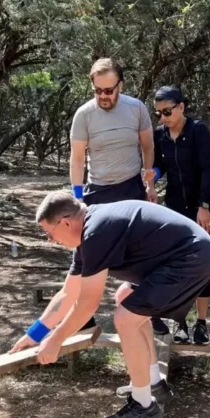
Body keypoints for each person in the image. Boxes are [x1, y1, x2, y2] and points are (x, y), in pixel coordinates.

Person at [10, 193, 210, 418]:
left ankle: (143, 406)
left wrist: (56, 340)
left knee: (126, 319)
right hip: (185, 257)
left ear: (66, 222)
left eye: (49, 233)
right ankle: (152, 384)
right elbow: (68, 294)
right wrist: (35, 335)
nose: (50, 240)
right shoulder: (88, 235)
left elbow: (87, 304)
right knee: (125, 298)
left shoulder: (96, 233)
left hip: (192, 258)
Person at [69, 57, 156, 328]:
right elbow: (77, 159)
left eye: (109, 90)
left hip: (131, 187)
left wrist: (149, 181)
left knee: (139, 252)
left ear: (121, 84)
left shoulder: (136, 108)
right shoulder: (84, 114)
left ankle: (143, 311)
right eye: (98, 91)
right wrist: (77, 196)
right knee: (85, 255)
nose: (103, 96)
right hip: (98, 190)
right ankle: (83, 319)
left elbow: (148, 146)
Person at [147, 86, 210, 344]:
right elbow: (160, 166)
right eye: (158, 113)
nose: (163, 117)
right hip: (175, 207)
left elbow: (207, 170)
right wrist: (152, 176)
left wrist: (204, 205)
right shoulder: (160, 135)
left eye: (167, 111)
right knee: (177, 265)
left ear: (181, 107)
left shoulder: (198, 130)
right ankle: (181, 324)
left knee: (202, 264)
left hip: (201, 207)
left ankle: (201, 323)